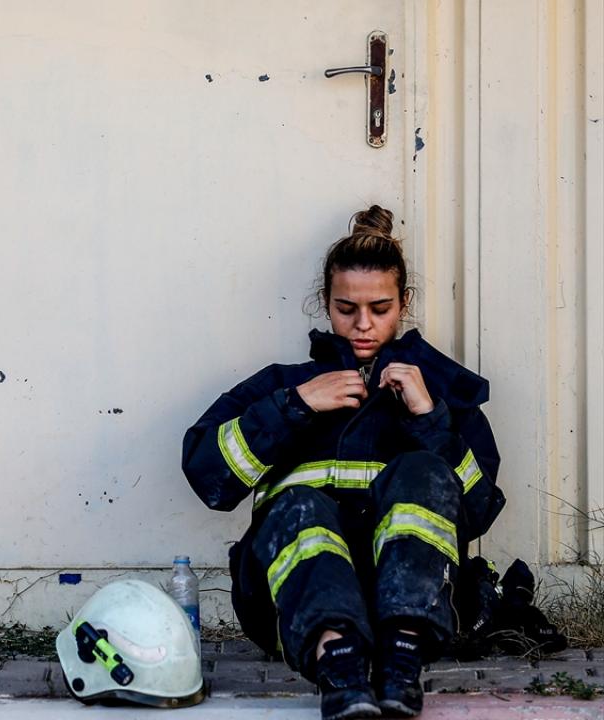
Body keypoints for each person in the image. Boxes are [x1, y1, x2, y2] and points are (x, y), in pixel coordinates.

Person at [181, 206, 503, 720]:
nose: (363, 325)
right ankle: (340, 664)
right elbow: (208, 477)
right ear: (324, 305)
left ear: (405, 303)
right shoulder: (284, 385)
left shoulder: (441, 394)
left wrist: (429, 418)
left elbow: (479, 510)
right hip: (292, 611)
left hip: (415, 620)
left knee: (421, 472)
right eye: (345, 308)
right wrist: (295, 407)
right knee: (298, 502)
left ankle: (401, 661)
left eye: (380, 308)